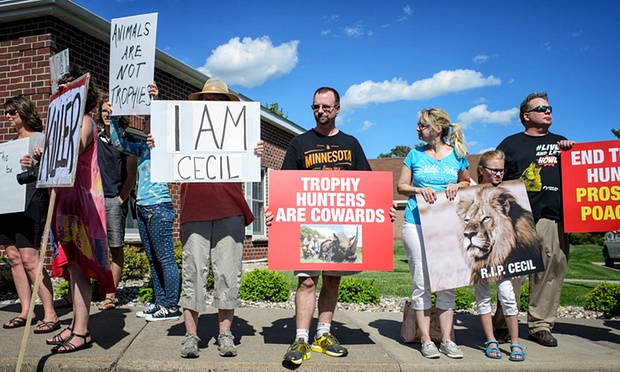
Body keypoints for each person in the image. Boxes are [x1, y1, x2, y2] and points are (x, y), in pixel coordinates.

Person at [266, 87, 392, 366]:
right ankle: (301, 338)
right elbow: (285, 185)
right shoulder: (300, 143)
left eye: (325, 107)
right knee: (307, 280)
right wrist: (274, 211)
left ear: (337, 109)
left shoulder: (351, 143)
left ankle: (323, 334)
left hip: (340, 223)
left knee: (332, 280)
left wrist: (384, 212)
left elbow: (368, 187)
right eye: (315, 107)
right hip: (307, 222)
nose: (320, 111)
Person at [148, 78, 263, 358]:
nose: (211, 104)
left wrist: (256, 152)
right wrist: (156, 143)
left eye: (218, 100)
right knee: (193, 274)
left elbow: (248, 161)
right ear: (198, 104)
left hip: (230, 210)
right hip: (195, 211)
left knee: (227, 274)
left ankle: (225, 334)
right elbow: (167, 146)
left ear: (227, 105)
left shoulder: (240, 133)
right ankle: (191, 336)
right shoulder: (185, 131)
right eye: (206, 100)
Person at [493, 92, 574, 347]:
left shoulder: (562, 143)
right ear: (526, 116)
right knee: (512, 273)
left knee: (550, 270)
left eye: (549, 107)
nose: (548, 111)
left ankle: (540, 325)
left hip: (553, 217)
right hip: (519, 217)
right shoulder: (510, 144)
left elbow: (578, 177)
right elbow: (491, 175)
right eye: (541, 108)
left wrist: (572, 153)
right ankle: (505, 324)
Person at [45, 64, 115, 353]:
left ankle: (83, 332)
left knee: (81, 267)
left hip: (81, 203)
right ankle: (76, 325)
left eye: (66, 87)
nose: (61, 91)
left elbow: (81, 142)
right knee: (74, 267)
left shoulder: (84, 121)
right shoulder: (67, 125)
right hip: (66, 200)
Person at [396, 108, 470, 359]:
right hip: (416, 224)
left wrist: (456, 184)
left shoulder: (457, 155)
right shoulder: (414, 155)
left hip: (448, 225)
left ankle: (447, 339)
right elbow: (401, 186)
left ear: (438, 129)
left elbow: (468, 182)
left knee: (447, 282)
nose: (418, 129)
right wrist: (418, 189)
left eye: (422, 125)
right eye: (418, 125)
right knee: (422, 281)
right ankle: (426, 338)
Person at [109, 83, 180, 321]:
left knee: (166, 259)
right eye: (147, 120)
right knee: (153, 259)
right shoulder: (141, 148)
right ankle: (160, 302)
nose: (147, 123)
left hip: (159, 208)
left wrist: (156, 100)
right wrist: (114, 116)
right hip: (142, 208)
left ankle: (171, 306)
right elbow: (118, 143)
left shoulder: (169, 146)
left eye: (151, 120)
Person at [1, 96, 59, 334]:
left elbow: (55, 170)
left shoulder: (40, 138)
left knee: (29, 259)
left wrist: (36, 163)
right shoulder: (8, 145)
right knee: (13, 257)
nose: (8, 116)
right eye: (6, 113)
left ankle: (50, 313)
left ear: (24, 111)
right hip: (6, 205)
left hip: (29, 204)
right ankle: (26, 311)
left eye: (12, 112)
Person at [473, 150, 524, 361]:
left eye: (502, 170)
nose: (499, 174)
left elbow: (517, 231)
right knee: (483, 298)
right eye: (494, 169)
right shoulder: (470, 192)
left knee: (508, 297)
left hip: (503, 258)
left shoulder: (510, 192)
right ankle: (490, 339)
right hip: (478, 257)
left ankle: (515, 342)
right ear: (481, 170)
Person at [95, 97, 137, 311]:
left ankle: (110, 295)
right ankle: (91, 289)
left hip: (113, 200)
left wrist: (121, 199)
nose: (107, 114)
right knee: (92, 247)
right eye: (104, 110)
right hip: (94, 200)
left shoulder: (127, 140)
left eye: (111, 110)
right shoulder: (95, 138)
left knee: (115, 247)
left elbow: (131, 176)